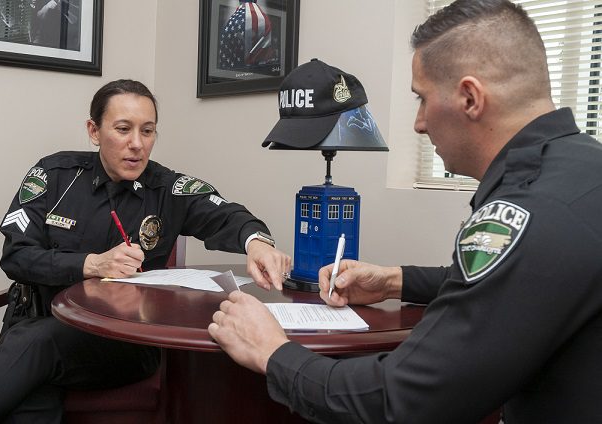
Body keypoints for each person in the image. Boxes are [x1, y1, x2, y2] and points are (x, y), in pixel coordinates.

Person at [208, 0, 602, 422]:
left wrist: (273, 352)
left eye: (422, 99)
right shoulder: (581, 170)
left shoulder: (528, 212)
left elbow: (402, 399)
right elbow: (517, 285)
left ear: (470, 97)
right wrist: (392, 281)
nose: (418, 123)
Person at [0, 79, 290, 423]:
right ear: (94, 130)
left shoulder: (166, 189)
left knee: (38, 345)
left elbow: (227, 214)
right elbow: (16, 256)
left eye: (148, 131)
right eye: (123, 129)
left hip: (118, 339)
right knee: (29, 398)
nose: (137, 144)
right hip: (34, 319)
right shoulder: (54, 175)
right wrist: (91, 264)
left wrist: (258, 243)